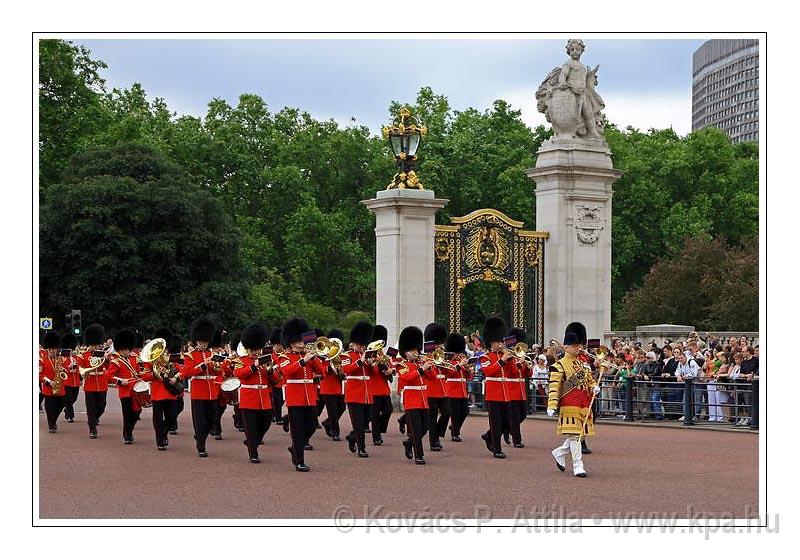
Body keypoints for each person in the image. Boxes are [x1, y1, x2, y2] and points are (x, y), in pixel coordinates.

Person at [548, 322, 599, 477]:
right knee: (575, 435)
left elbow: (589, 380)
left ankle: (559, 452)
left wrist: (594, 386)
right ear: (567, 347)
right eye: (575, 346)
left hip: (583, 403)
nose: (579, 348)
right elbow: (554, 386)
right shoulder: (559, 365)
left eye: (579, 346)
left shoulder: (582, 364)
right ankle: (578, 465)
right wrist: (552, 405)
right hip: (569, 403)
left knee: (577, 435)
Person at [276, 317, 325, 472]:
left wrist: (314, 357)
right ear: (290, 342)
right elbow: (288, 372)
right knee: (297, 430)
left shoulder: (309, 355)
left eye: (301, 341)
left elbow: (322, 371)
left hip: (309, 396)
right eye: (297, 341)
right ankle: (299, 460)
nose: (300, 344)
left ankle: (295, 448)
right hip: (294, 396)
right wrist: (303, 360)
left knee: (310, 426)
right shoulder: (284, 357)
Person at [234, 323, 281, 463]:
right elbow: (239, 374)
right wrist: (254, 366)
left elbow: (277, 379)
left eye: (257, 349)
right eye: (253, 349)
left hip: (264, 398)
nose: (255, 352)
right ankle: (253, 453)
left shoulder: (267, 360)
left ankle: (252, 442)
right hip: (248, 398)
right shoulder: (241, 361)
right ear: (247, 348)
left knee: (266, 423)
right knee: (251, 428)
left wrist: (270, 371)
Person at [181, 317, 223, 458]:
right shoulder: (190, 356)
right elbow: (187, 372)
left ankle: (200, 437)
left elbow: (219, 371)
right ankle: (201, 446)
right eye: (201, 341)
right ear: (196, 340)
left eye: (205, 341)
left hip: (212, 392)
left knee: (211, 420)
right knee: (199, 421)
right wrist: (202, 366)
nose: (204, 344)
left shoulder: (213, 354)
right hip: (198, 392)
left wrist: (218, 367)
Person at [139, 333, 182, 451]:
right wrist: (154, 374)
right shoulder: (150, 362)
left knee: (172, 417)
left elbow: (181, 371)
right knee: (158, 418)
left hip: (170, 392)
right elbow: (144, 376)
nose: (165, 352)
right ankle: (160, 441)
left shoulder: (171, 360)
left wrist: (176, 378)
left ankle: (163, 433)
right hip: (157, 392)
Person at [478, 316, 512, 459]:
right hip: (493, 393)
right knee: (496, 422)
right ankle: (497, 449)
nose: (499, 344)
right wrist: (502, 360)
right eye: (497, 341)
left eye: (500, 341)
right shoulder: (485, 357)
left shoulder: (505, 355)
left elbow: (513, 372)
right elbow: (489, 371)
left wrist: (514, 361)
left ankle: (488, 435)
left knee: (507, 420)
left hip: (505, 392)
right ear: (491, 342)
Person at [340, 321, 374, 457]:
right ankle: (362, 448)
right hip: (354, 394)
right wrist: (361, 361)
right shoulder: (346, 355)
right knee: (358, 422)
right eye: (360, 344)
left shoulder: (368, 355)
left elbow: (373, 374)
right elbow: (347, 370)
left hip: (367, 393)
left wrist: (372, 364)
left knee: (367, 419)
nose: (362, 347)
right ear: (353, 343)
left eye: (363, 344)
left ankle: (352, 437)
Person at [396, 326, 429, 465]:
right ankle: (419, 455)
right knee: (415, 428)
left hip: (423, 398)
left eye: (416, 349)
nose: (415, 352)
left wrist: (430, 366)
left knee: (425, 427)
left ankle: (409, 443)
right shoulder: (401, 365)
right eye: (412, 350)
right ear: (405, 352)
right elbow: (408, 378)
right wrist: (422, 369)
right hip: (411, 398)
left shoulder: (420, 363)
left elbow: (432, 377)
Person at [105, 329, 142, 444]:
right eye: (123, 350)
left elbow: (140, 371)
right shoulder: (116, 361)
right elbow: (108, 375)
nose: (125, 352)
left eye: (127, 349)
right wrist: (120, 381)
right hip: (125, 391)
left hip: (136, 389)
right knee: (127, 414)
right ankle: (127, 434)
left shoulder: (135, 358)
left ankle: (129, 430)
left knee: (137, 412)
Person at [75, 324, 109, 438]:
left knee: (102, 405)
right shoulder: (83, 355)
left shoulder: (102, 354)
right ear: (89, 343)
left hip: (102, 383)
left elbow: (108, 367)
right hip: (90, 383)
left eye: (96, 344)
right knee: (90, 408)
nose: (95, 347)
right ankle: (92, 429)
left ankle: (95, 418)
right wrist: (84, 372)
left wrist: (107, 359)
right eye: (93, 344)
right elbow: (80, 368)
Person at [423, 322, 449, 452]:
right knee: (432, 417)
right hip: (431, 389)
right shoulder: (426, 356)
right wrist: (433, 362)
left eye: (440, 342)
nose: (439, 345)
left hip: (443, 389)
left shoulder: (442, 355)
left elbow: (449, 373)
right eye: (437, 343)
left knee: (447, 412)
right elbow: (430, 375)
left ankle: (438, 433)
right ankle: (434, 441)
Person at [444, 332, 472, 442]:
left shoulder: (461, 361)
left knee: (464, 411)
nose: (458, 354)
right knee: (455, 413)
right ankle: (455, 433)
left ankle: (454, 427)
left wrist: (469, 370)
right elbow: (448, 373)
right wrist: (459, 365)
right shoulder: (448, 362)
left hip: (462, 390)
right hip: (452, 389)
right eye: (456, 352)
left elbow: (467, 376)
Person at [368, 325, 393, 446]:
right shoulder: (370, 355)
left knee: (388, 410)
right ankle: (376, 437)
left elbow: (391, 367)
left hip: (384, 388)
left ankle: (380, 429)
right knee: (375, 414)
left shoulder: (383, 355)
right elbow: (371, 371)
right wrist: (374, 364)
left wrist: (390, 371)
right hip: (373, 389)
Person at [504, 327, 529, 448]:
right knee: (514, 417)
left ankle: (506, 429)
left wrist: (527, 366)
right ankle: (517, 440)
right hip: (511, 389)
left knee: (523, 414)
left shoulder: (520, 356)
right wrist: (520, 363)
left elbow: (527, 374)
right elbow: (512, 372)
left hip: (521, 390)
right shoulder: (508, 357)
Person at [40, 331, 66, 433]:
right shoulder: (42, 360)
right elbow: (40, 375)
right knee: (50, 407)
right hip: (48, 387)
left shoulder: (61, 359)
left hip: (60, 386)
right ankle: (51, 425)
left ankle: (53, 420)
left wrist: (63, 369)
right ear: (48, 349)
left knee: (61, 405)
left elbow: (66, 369)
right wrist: (49, 382)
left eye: (55, 349)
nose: (53, 351)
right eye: (51, 349)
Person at [60, 333, 81, 424]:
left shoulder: (76, 358)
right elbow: (60, 368)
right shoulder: (61, 358)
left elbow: (80, 368)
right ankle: (70, 415)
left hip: (75, 381)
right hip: (67, 381)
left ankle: (67, 409)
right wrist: (68, 367)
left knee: (74, 398)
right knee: (68, 399)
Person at [268, 328, 285, 426]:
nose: (278, 347)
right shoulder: (271, 355)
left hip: (282, 381)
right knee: (277, 400)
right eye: (277, 345)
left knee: (281, 400)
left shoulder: (283, 355)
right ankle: (278, 417)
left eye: (279, 345)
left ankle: (273, 414)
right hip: (274, 382)